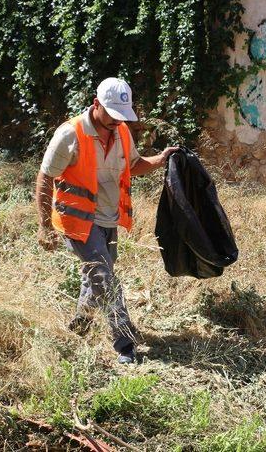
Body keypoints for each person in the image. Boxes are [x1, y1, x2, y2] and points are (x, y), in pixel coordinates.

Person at [35, 77, 178, 364]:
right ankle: (124, 342)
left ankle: (82, 321)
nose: (116, 121)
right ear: (96, 104)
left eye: (121, 115)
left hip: (108, 218)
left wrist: (160, 159)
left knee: (99, 272)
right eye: (112, 114)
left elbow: (134, 165)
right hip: (76, 221)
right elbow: (45, 176)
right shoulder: (70, 134)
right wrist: (43, 225)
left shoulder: (122, 131)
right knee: (105, 277)